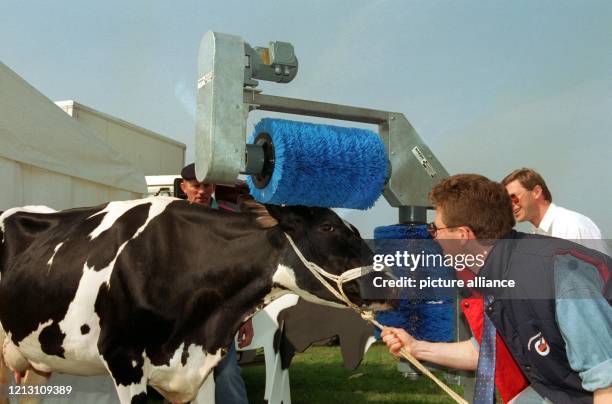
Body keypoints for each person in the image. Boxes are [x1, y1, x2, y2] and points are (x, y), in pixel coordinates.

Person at [382, 174, 612, 404]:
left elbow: (607, 383)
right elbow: (485, 351)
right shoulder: (497, 276)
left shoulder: (556, 277)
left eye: (436, 229)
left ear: (462, 236)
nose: (433, 237)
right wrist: (415, 347)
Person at [180, 163, 252, 404]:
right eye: (195, 186)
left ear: (214, 187)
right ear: (184, 187)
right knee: (176, 377)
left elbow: (244, 272)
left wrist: (246, 317)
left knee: (227, 372)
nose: (201, 191)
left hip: (220, 314)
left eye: (206, 185)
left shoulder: (231, 218)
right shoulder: (170, 218)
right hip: (178, 314)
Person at [502, 168, 607, 254]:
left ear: (536, 192)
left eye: (513, 197)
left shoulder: (573, 226)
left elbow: (602, 274)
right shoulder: (537, 236)